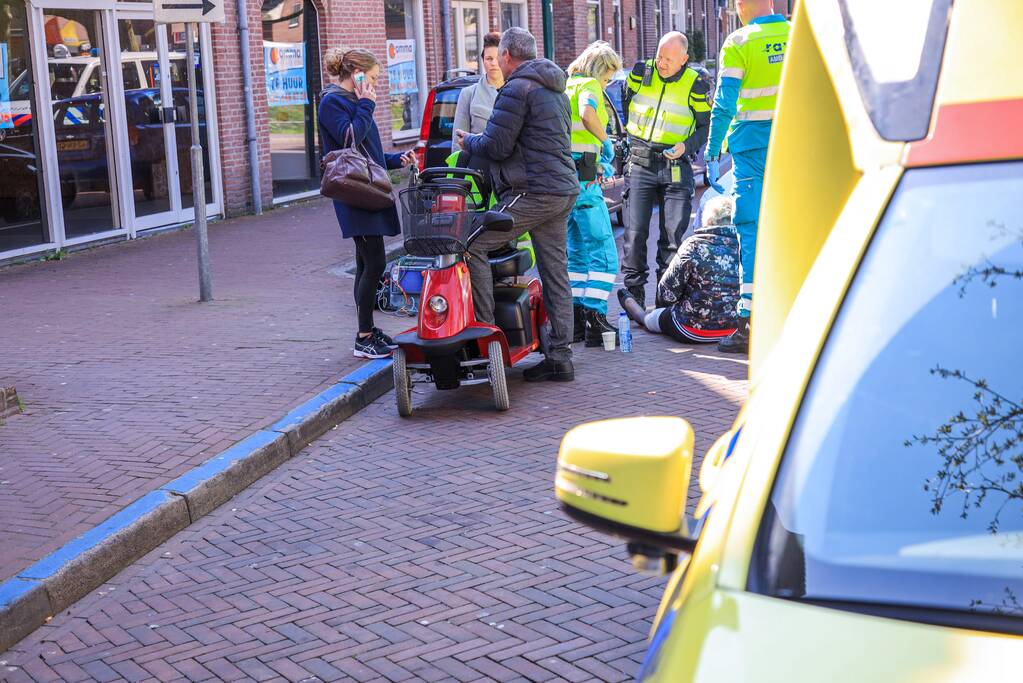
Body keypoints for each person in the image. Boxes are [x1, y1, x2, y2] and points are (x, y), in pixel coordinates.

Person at [455, 27, 579, 382]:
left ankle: (487, 342)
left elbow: (496, 145)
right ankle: (560, 357)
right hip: (561, 189)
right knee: (556, 273)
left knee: (473, 243)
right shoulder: (554, 87)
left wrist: (470, 142)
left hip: (534, 192)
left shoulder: (516, 88)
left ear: (507, 56)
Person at [318, 47, 416, 359]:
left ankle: (369, 330)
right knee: (374, 262)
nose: (375, 84)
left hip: (367, 186)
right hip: (353, 192)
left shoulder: (357, 103)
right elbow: (348, 138)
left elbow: (367, 150)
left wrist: (395, 159)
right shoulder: (332, 101)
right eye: (372, 77)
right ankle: (363, 336)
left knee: (366, 263)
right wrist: (365, 106)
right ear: (357, 74)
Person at [705, 0, 791, 353]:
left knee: (750, 226)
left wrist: (712, 151)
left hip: (751, 149)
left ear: (741, 6)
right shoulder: (797, 34)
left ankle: (748, 323)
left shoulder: (740, 42)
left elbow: (725, 102)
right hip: (794, 142)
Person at [620, 32, 713, 308]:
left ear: (684, 60)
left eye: (668, 60)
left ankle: (665, 299)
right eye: (659, 56)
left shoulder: (696, 84)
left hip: (674, 166)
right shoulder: (641, 72)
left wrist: (687, 146)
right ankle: (634, 295)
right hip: (640, 161)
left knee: (672, 237)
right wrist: (635, 134)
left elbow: (705, 126)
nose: (661, 63)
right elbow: (627, 101)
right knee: (634, 234)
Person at [617, 196, 740, 343]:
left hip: (692, 329)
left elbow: (666, 294)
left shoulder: (693, 245)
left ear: (708, 220)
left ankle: (642, 316)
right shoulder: (746, 244)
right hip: (736, 328)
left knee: (656, 318)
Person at [564, 41, 622, 346]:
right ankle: (596, 320)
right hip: (587, 184)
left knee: (577, 256)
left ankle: (575, 322)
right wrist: (606, 141)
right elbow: (588, 114)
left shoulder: (565, 86)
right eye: (608, 78)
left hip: (566, 183)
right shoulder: (588, 85)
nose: (607, 84)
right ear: (600, 71)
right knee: (604, 255)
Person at [452, 32, 504, 147]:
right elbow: (458, 142)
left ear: (505, 59)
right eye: (489, 59)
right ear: (483, 60)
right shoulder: (468, 94)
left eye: (497, 58)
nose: (494, 63)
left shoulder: (517, 91)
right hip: (478, 162)